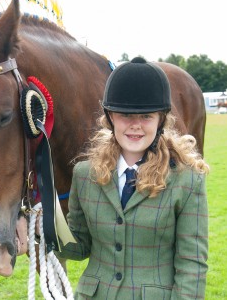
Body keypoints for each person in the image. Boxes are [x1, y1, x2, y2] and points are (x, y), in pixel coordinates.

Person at [56, 56, 209, 299]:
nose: (135, 125)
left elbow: (192, 266)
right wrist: (42, 229)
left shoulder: (187, 181)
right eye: (125, 115)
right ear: (110, 117)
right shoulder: (85, 174)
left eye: (147, 116)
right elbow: (80, 246)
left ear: (161, 120)